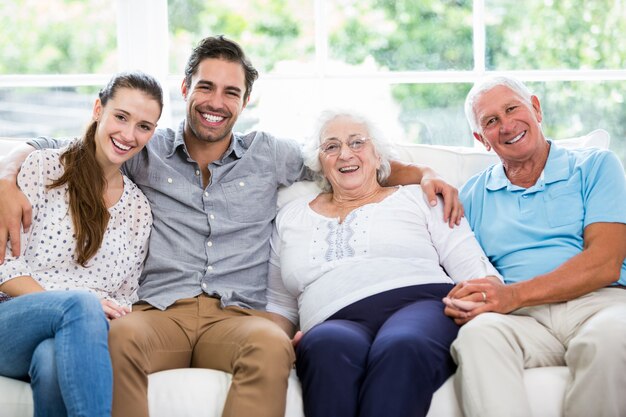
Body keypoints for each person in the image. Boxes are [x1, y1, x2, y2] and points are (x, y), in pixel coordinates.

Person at [0, 36, 463, 417]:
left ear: (245, 102)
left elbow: (347, 158)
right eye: (206, 87)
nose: (216, 103)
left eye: (231, 92)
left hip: (237, 317)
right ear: (185, 88)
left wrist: (421, 174)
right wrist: (5, 178)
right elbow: (64, 146)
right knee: (117, 338)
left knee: (271, 346)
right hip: (159, 311)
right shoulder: (144, 146)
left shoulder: (271, 154)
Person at [266, 110, 502, 417]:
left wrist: (490, 293)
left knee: (402, 346)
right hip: (331, 320)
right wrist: (275, 344)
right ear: (320, 162)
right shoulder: (290, 217)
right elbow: (279, 304)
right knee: (324, 349)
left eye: (357, 143)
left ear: (378, 156)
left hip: (421, 305)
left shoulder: (419, 197)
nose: (345, 154)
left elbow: (474, 267)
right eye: (331, 146)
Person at [442, 76, 626, 417]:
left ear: (536, 109)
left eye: (512, 108)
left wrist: (512, 295)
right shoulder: (471, 195)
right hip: (523, 320)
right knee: (477, 337)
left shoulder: (596, 165)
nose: (507, 125)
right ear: (481, 139)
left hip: (599, 302)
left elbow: (605, 262)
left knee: (615, 338)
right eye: (491, 121)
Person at [0, 71, 162, 417]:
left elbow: (126, 295)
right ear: (98, 109)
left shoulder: (138, 209)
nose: (128, 135)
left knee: (51, 359)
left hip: (78, 336)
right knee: (81, 306)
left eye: (144, 126)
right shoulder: (42, 168)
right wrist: (76, 306)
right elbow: (6, 267)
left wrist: (98, 313)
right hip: (10, 321)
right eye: (121, 117)